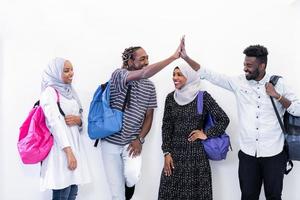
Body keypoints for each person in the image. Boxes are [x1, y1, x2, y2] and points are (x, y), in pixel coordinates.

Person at [181, 38, 300, 200]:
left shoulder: (279, 83)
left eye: (249, 66)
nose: (245, 69)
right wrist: (186, 58)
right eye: (245, 64)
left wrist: (277, 96)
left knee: (274, 196)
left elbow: (297, 109)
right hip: (248, 154)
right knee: (248, 196)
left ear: (262, 66)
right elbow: (210, 75)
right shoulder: (238, 82)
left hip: (274, 153)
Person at [101, 38, 184, 200]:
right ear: (129, 61)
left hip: (132, 142)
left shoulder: (149, 86)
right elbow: (145, 72)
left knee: (132, 177)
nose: (146, 62)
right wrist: (173, 57)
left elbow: (149, 116)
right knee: (116, 192)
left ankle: (126, 191)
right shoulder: (119, 75)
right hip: (110, 142)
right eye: (142, 59)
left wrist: (140, 139)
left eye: (147, 58)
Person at [157, 64, 230, 200]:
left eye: (179, 74)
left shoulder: (202, 97)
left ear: (189, 77)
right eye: (174, 74)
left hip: (196, 158)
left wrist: (206, 134)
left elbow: (224, 119)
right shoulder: (170, 98)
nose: (175, 78)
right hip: (175, 157)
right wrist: (166, 153)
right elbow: (166, 127)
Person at [40, 58, 91, 200]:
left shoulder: (70, 90)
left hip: (74, 146)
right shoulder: (49, 92)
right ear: (55, 73)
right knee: (62, 189)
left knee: (73, 190)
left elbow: (80, 115)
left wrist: (79, 120)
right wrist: (68, 152)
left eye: (72, 69)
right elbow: (53, 123)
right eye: (66, 70)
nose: (71, 73)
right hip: (60, 148)